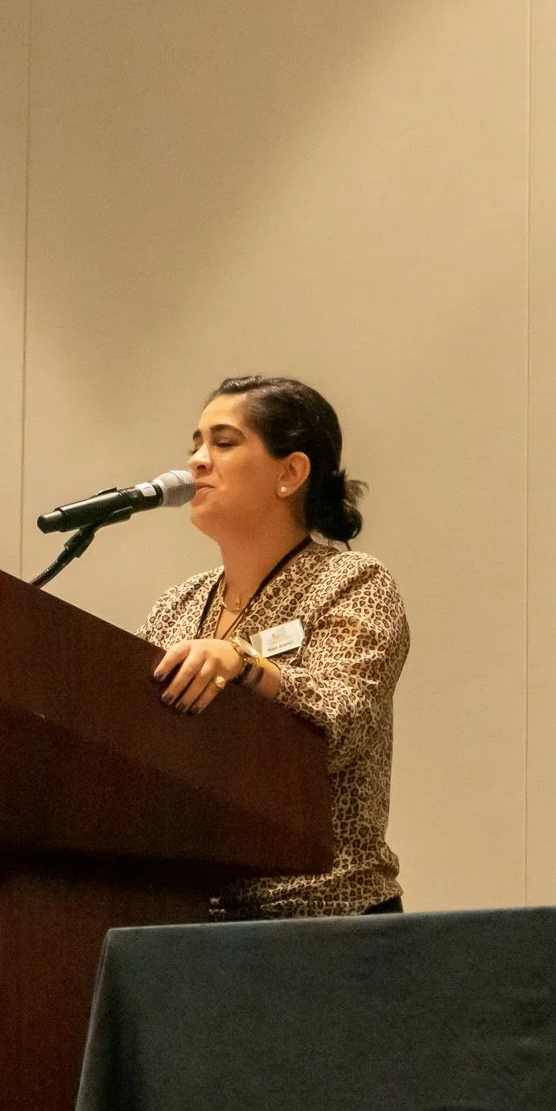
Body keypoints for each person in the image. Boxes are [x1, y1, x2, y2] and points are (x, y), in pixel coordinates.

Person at [142, 375, 409, 917]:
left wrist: (243, 663)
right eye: (195, 444)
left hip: (330, 916)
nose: (196, 461)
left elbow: (343, 722)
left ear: (290, 473)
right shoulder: (178, 605)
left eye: (223, 442)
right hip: (191, 916)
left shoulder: (352, 582)